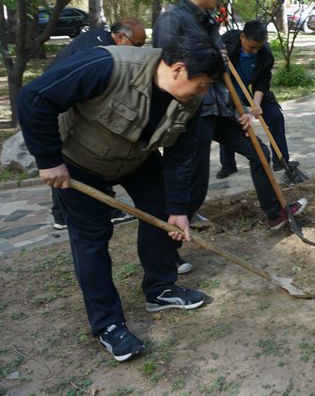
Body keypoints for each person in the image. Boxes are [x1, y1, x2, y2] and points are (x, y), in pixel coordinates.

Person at [17, 38, 226, 362]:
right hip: (80, 163)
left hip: (137, 159)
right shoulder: (108, 67)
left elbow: (180, 156)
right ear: (179, 69)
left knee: (160, 215)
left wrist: (178, 209)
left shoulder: (190, 100)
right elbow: (35, 97)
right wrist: (47, 159)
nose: (203, 92)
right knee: (92, 239)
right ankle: (108, 325)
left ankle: (160, 288)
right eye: (202, 85)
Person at [154, 0, 307, 231]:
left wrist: (241, 111)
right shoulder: (172, 21)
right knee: (195, 181)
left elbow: (220, 75)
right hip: (192, 113)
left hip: (220, 108)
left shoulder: (209, 22)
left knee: (260, 151)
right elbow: (167, 74)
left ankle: (275, 213)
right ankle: (169, 247)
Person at [48, 19, 147, 230]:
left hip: (65, 99)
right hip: (59, 101)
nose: (139, 51)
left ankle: (61, 215)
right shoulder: (99, 50)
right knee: (76, 155)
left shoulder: (101, 39)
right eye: (137, 45)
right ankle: (96, 211)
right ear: (120, 36)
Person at [216, 20, 298, 178]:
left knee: (275, 116)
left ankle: (281, 161)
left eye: (258, 47)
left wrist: (256, 104)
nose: (255, 51)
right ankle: (228, 165)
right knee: (227, 120)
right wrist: (218, 57)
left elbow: (263, 81)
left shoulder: (265, 54)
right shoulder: (227, 42)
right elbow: (210, 54)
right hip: (230, 86)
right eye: (252, 47)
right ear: (242, 37)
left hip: (253, 87)